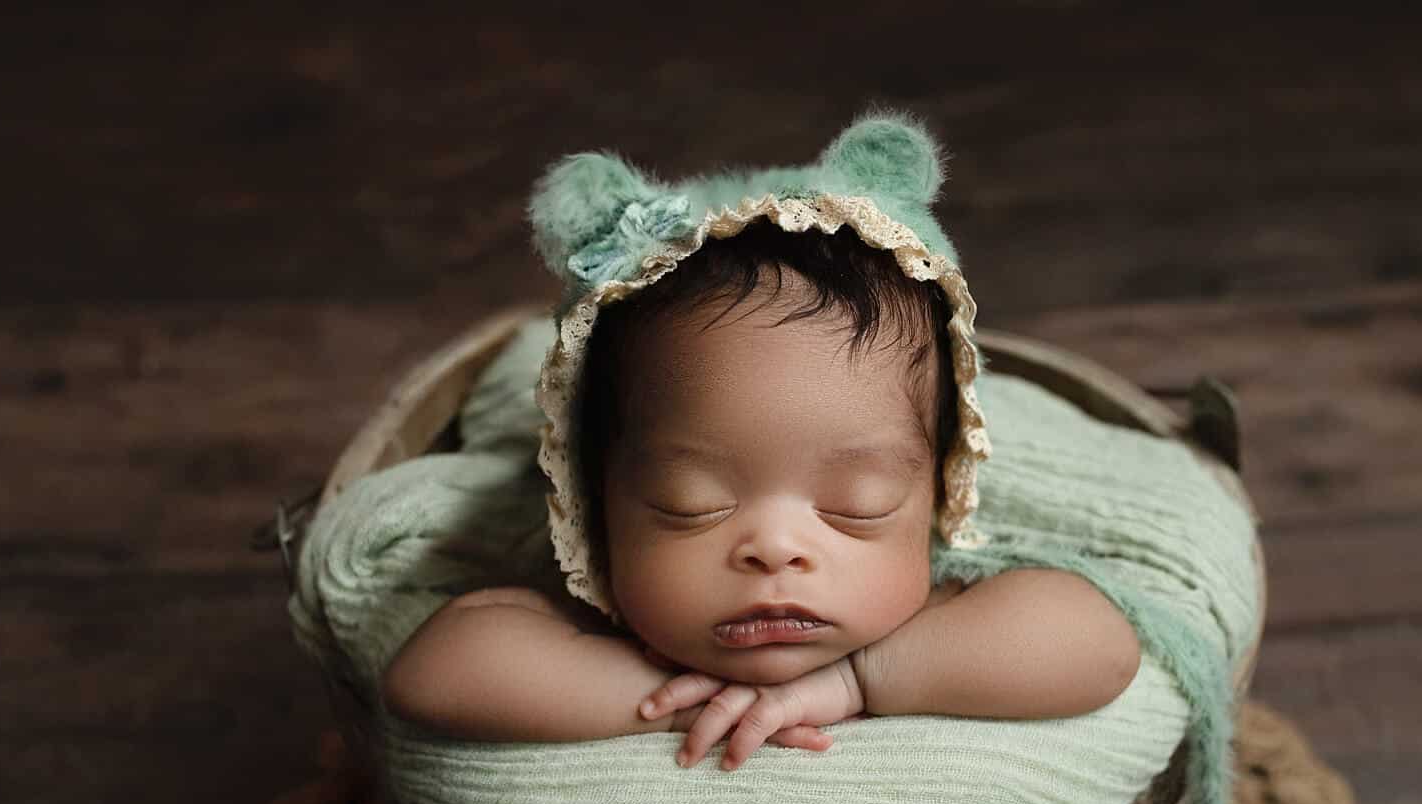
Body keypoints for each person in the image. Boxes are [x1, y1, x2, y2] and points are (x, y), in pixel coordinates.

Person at [382, 220, 1141, 769]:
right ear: (592, 506)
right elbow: (431, 672)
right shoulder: (598, 614)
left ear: (938, 495)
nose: (776, 547)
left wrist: (857, 678)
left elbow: (1100, 645)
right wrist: (668, 696)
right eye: (688, 502)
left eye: (860, 502)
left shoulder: (938, 616)